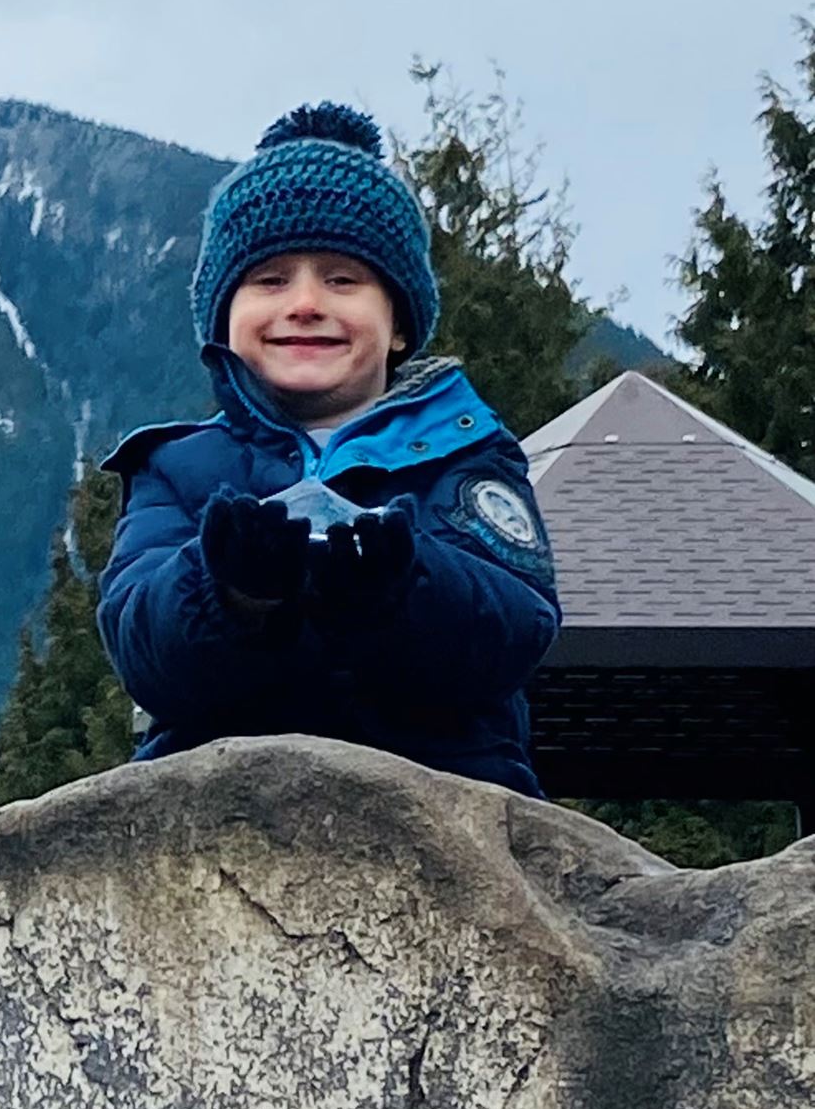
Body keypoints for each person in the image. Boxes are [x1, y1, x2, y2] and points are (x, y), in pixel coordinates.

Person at [96, 103, 560, 796]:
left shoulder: (467, 453)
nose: (306, 303)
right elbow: (142, 652)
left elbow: (516, 633)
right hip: (216, 807)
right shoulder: (174, 469)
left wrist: (402, 587)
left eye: (343, 279)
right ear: (223, 318)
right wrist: (230, 590)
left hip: (445, 804)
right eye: (270, 280)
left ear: (398, 323)